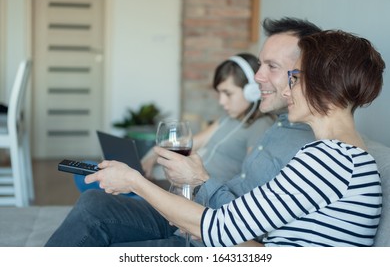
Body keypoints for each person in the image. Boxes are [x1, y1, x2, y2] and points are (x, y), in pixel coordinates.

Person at [87, 30, 384, 247]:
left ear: (324, 84)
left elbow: (217, 228)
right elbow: (252, 238)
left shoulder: (329, 160)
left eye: (294, 78)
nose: (284, 91)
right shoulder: (339, 157)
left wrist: (134, 182)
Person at [45, 17, 321, 247]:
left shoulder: (310, 148)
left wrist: (195, 186)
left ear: (304, 75)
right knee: (94, 201)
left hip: (208, 232)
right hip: (198, 214)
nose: (258, 76)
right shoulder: (278, 124)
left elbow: (252, 236)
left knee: (101, 232)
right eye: (260, 65)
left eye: (270, 66)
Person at [141, 53, 275, 182]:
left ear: (253, 91)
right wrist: (153, 155)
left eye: (228, 93)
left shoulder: (261, 125)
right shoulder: (229, 117)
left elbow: (250, 180)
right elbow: (190, 142)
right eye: (220, 93)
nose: (221, 101)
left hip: (205, 195)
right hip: (185, 183)